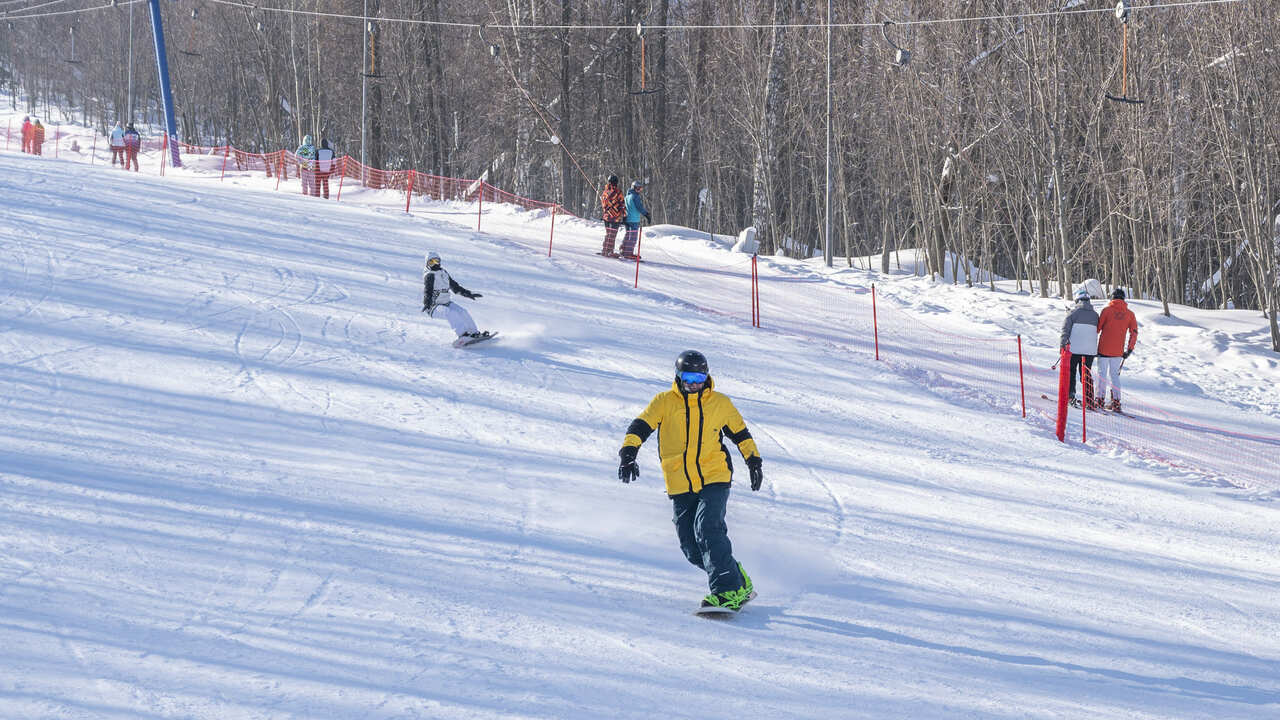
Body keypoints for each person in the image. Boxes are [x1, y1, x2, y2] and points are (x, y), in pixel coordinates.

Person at [618, 350, 764, 611]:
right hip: (680, 483)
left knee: (708, 528)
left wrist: (753, 460)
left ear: (707, 376)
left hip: (715, 476)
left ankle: (726, 593)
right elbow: (640, 426)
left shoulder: (720, 403)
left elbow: (741, 434)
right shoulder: (663, 402)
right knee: (692, 548)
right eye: (689, 377)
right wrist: (628, 453)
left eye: (699, 377)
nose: (694, 383)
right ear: (678, 377)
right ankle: (738, 580)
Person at [422, 251, 489, 343]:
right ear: (427, 264)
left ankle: (474, 333)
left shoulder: (444, 272)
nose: (434, 264)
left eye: (436, 261)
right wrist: (427, 303)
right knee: (450, 312)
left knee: (462, 311)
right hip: (433, 306)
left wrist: (468, 294)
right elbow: (428, 290)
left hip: (446, 303)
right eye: (431, 262)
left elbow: (455, 287)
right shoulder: (429, 275)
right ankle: (463, 335)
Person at [1095, 287, 1138, 412]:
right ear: (1123, 299)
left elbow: (1097, 329)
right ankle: (1116, 402)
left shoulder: (1106, 311)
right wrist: (1129, 350)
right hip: (1118, 351)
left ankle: (1100, 400)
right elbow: (1134, 332)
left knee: (1102, 375)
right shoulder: (1130, 314)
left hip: (1103, 349)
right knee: (1115, 376)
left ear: (1112, 297)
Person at [1060, 286, 1100, 409]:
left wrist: (1062, 346)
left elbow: (1065, 331)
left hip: (1074, 349)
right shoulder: (1095, 315)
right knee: (1086, 373)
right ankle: (1089, 399)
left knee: (1071, 372)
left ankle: (1070, 395)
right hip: (1090, 351)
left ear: (1077, 300)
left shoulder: (1072, 313)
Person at [621, 180, 650, 259]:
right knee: (633, 237)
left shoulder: (627, 196)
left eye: (640, 189)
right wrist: (646, 214)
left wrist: (624, 216)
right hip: (634, 219)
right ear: (634, 188)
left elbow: (624, 207)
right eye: (638, 188)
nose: (639, 190)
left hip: (627, 219)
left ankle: (623, 249)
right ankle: (628, 253)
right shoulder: (635, 196)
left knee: (628, 235)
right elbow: (639, 207)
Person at [600, 175, 626, 256]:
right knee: (612, 234)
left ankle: (606, 250)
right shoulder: (618, 192)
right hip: (615, 217)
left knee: (609, 234)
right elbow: (622, 204)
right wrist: (624, 215)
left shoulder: (605, 192)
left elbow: (603, 204)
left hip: (606, 217)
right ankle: (608, 251)